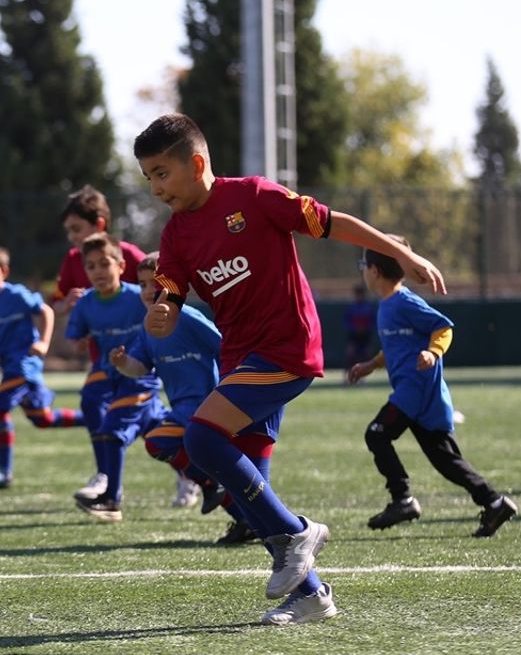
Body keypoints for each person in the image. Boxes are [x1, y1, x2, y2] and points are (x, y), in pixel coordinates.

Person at [135, 113, 445, 626]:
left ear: (196, 163)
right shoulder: (175, 237)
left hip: (286, 349)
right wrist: (162, 313)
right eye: (147, 177)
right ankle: (312, 596)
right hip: (240, 358)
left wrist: (399, 254)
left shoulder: (254, 196)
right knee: (250, 483)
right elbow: (168, 296)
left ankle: (300, 532)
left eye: (161, 173)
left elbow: (332, 221)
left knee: (202, 439)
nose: (155, 188)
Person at [348, 235, 519, 538]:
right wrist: (370, 366)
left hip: (415, 393)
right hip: (418, 398)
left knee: (376, 435)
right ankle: (494, 502)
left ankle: (403, 499)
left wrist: (432, 352)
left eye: (364, 264)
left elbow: (443, 327)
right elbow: (397, 347)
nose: (362, 270)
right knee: (446, 461)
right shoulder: (387, 306)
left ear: (374, 271)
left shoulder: (405, 302)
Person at [113, 252, 260, 544]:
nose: (146, 291)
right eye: (141, 285)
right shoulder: (148, 328)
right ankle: (246, 520)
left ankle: (210, 485)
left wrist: (234, 390)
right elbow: (140, 367)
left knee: (158, 441)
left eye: (153, 284)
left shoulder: (189, 318)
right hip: (182, 411)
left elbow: (225, 348)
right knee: (211, 466)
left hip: (207, 407)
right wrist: (122, 363)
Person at [51, 185, 150, 501]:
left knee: (144, 418)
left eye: (76, 229)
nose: (72, 237)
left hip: (142, 359)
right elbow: (54, 306)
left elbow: (157, 291)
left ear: (100, 224)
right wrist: (66, 304)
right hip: (104, 358)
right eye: (68, 231)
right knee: (94, 403)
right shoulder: (71, 260)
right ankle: (106, 476)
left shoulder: (131, 256)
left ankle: (187, 472)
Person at [66, 233, 167, 522]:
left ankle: (112, 496)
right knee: (91, 401)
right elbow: (75, 335)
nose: (97, 271)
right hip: (106, 371)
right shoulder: (86, 302)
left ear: (121, 266)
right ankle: (105, 476)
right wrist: (79, 342)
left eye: (104, 264)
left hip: (139, 372)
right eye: (90, 266)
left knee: (120, 430)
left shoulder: (140, 296)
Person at [0, 240, 83, 489]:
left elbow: (46, 312)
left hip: (25, 365)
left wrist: (43, 342)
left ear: (4, 271)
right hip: (8, 367)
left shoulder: (16, 295)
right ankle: (92, 419)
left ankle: (5, 471)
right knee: (42, 419)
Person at [344, 284, 376, 382]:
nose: (359, 296)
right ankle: (347, 376)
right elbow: (346, 322)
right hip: (354, 336)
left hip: (365, 336)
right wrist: (355, 328)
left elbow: (372, 322)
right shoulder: (351, 308)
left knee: (366, 356)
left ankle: (363, 377)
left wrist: (365, 328)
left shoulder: (368, 307)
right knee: (350, 355)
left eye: (360, 294)